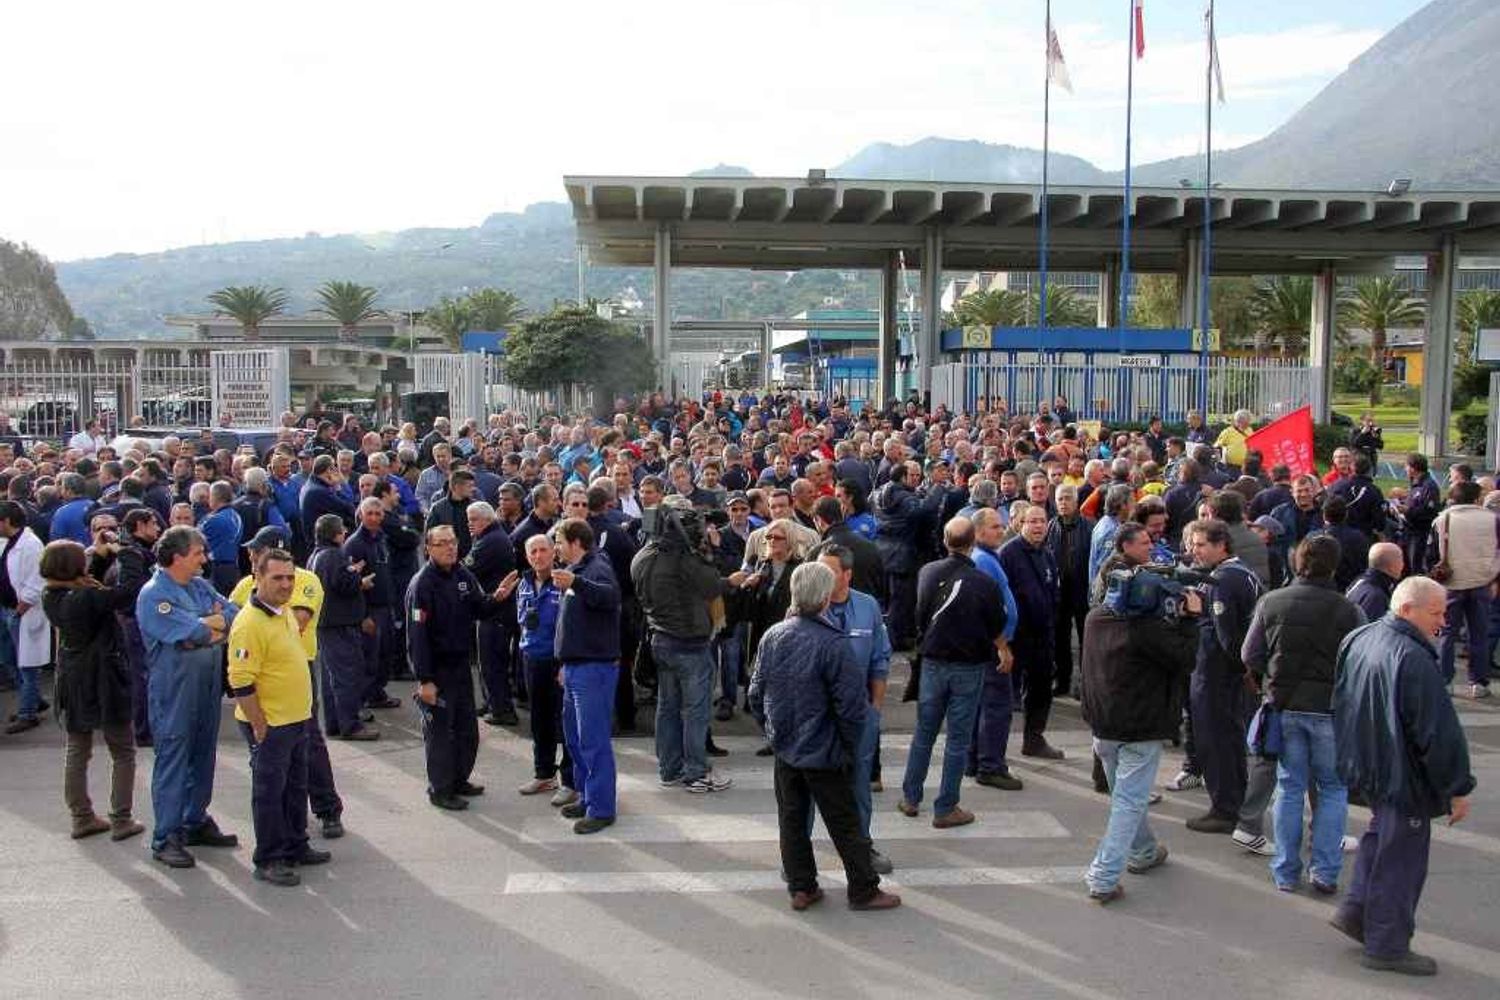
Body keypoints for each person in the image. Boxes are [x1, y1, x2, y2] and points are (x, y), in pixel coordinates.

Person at [1331, 576, 1475, 977]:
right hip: (1400, 773)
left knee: (1379, 841)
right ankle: (1387, 945)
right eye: (1436, 613)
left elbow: (1340, 699)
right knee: (1401, 861)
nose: (1443, 622)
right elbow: (1437, 732)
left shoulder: (1361, 637)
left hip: (1369, 763)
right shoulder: (1412, 657)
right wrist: (1458, 787)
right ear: (1408, 609)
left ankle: (1356, 912)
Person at [749, 560, 901, 913]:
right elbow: (851, 707)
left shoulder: (773, 635)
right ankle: (863, 889)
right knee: (845, 822)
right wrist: (848, 745)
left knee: (792, 819)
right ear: (824, 599)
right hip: (824, 748)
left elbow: (756, 693)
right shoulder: (833, 643)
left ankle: (802, 887)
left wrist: (773, 731)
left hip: (787, 746)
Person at [1241, 535, 1365, 894]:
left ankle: (1285, 870)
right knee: (1333, 789)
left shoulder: (1272, 602)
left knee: (1289, 788)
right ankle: (1325, 871)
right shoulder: (1349, 609)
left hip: (1284, 704)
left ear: (1297, 563)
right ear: (1334, 566)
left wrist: (1269, 679)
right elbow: (1360, 659)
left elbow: (1250, 654)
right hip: (1330, 708)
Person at [1079, 567, 1202, 904]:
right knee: (1129, 803)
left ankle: (1144, 850)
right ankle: (1103, 877)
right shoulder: (1148, 630)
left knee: (1125, 798)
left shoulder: (1095, 619)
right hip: (1139, 728)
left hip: (1103, 724)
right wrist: (1190, 620)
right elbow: (1185, 659)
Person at [230, 527, 349, 839]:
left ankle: (326, 808)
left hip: (297, 670)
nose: (251, 554)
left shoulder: (305, 580)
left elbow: (298, 620)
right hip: (262, 675)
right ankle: (281, 836)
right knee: (271, 767)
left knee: (309, 748)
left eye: (257, 549)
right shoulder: (248, 585)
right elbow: (228, 619)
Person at [137, 525, 239, 869]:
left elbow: (234, 615)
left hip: (207, 686)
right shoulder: (154, 595)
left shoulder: (199, 585)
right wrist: (207, 626)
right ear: (177, 557)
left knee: (203, 753)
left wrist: (205, 625)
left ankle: (194, 820)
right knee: (174, 757)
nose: (204, 559)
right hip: (174, 690)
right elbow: (192, 634)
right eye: (198, 553)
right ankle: (166, 836)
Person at [899, 517, 1010, 829]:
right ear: (972, 543)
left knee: (924, 732)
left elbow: (919, 614)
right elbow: (996, 624)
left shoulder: (927, 572)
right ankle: (946, 806)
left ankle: (911, 797)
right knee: (958, 739)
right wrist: (1003, 648)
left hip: (933, 661)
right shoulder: (984, 582)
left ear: (945, 542)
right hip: (968, 665)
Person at [227, 548, 329, 887]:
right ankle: (269, 857)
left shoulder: (283, 611)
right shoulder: (248, 623)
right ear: (257, 577)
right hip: (271, 724)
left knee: (296, 786)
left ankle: (295, 844)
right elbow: (240, 681)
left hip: (296, 718)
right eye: (277, 578)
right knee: (270, 791)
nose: (286, 584)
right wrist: (259, 723)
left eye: (290, 578)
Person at [41, 538, 144, 841]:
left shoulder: (53, 595)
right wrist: (127, 552)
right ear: (73, 566)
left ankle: (81, 816)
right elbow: (126, 592)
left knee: (78, 748)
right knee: (122, 749)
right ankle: (121, 818)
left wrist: (99, 561)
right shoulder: (84, 598)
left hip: (73, 675)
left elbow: (93, 591)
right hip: (103, 677)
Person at [632, 499, 733, 793]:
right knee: (696, 712)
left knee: (667, 708)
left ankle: (670, 769)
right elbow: (711, 585)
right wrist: (709, 552)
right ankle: (696, 773)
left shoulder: (642, 556)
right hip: (690, 644)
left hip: (660, 639)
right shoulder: (685, 560)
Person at [406, 524, 504, 811]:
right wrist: (425, 679)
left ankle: (459, 779)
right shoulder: (422, 584)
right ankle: (440, 789)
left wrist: (497, 598)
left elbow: (479, 607)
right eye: (442, 543)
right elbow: (417, 636)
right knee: (440, 733)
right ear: (428, 548)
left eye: (453, 542)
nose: (450, 548)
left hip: (461, 665)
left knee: (466, 729)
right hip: (437, 669)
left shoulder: (462, 574)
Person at [813, 542, 895, 873]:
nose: (821, 576)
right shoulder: (807, 605)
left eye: (829, 571)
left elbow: (880, 658)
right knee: (807, 787)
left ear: (847, 574)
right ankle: (798, 856)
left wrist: (875, 707)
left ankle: (862, 847)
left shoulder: (867, 606)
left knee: (860, 782)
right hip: (817, 716)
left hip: (859, 714)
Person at [1182, 519, 1263, 835]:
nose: (1195, 551)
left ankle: (1225, 809)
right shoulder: (1240, 572)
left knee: (1216, 742)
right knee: (1227, 741)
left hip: (1217, 675)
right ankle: (1234, 802)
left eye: (1201, 545)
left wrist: (1243, 671)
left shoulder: (1225, 580)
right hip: (1223, 674)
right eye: (1193, 544)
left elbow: (1228, 638)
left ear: (1221, 545)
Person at [552, 517, 623, 834]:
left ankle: (601, 809)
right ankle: (586, 796)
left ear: (575, 542)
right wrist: (564, 664)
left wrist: (576, 583)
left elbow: (610, 597)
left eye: (559, 542)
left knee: (593, 740)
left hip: (594, 669)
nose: (556, 548)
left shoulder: (597, 567)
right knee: (576, 739)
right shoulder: (578, 570)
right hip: (575, 668)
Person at [496, 533, 576, 806]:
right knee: (539, 721)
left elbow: (571, 627)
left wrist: (565, 663)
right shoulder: (524, 582)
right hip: (531, 659)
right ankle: (544, 774)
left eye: (543, 550)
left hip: (558, 662)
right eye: (533, 551)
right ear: (527, 556)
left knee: (564, 723)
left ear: (554, 553)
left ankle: (570, 781)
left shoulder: (563, 581)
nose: (538, 556)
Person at [1000, 503, 1063, 760]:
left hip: (1043, 635)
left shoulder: (1047, 553)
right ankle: (993, 750)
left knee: (1041, 689)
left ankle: (1034, 739)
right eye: (1032, 521)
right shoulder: (1008, 554)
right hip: (1017, 637)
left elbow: (1053, 590)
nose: (1038, 526)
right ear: (1021, 524)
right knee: (1005, 695)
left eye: (1042, 521)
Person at [1428, 480, 1500, 696]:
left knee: (1447, 633)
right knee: (1479, 633)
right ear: (1477, 498)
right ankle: (1478, 682)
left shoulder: (1442, 520)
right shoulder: (1493, 520)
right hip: (1483, 581)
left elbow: (1431, 554)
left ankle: (1444, 680)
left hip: (1451, 583)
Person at [0, 502, 50, 733]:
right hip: (8, 609)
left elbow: (36, 582)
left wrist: (19, 611)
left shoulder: (30, 545)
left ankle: (27, 713)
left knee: (26, 665)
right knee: (10, 660)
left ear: (7, 521)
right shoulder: (8, 541)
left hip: (22, 612)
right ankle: (34, 699)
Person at [1346, 541, 1403, 622]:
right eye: (1401, 560)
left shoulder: (1358, 582)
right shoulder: (1376, 597)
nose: (1403, 565)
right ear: (1392, 566)